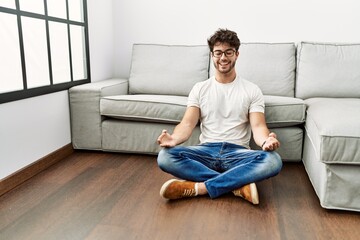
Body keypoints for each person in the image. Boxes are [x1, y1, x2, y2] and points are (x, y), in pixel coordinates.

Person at [156, 29, 282, 204]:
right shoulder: (200, 89)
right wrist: (174, 139)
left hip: (237, 153)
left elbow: (258, 127)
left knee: (273, 161)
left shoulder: (252, 90)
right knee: (164, 157)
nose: (223, 57)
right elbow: (187, 123)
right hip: (205, 151)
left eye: (228, 52)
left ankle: (200, 188)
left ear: (237, 54)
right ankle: (237, 185)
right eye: (218, 53)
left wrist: (265, 141)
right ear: (212, 55)